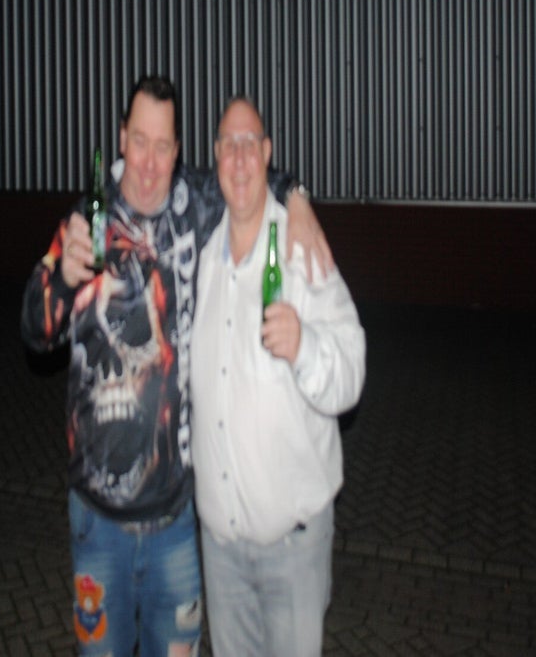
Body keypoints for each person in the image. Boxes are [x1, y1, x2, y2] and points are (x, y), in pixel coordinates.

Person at [20, 75, 332, 657]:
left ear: (178, 151)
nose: (148, 163)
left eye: (163, 147)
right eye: (139, 141)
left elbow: (249, 171)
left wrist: (298, 197)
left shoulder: (195, 207)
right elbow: (35, 334)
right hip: (98, 522)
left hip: (175, 525)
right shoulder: (86, 223)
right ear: (121, 138)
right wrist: (60, 279)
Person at [190, 96, 366, 657]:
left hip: (293, 551)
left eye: (251, 144)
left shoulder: (298, 244)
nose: (240, 158)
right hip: (220, 552)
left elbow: (353, 369)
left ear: (267, 154)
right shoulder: (201, 256)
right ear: (216, 157)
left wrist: (307, 347)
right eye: (229, 145)